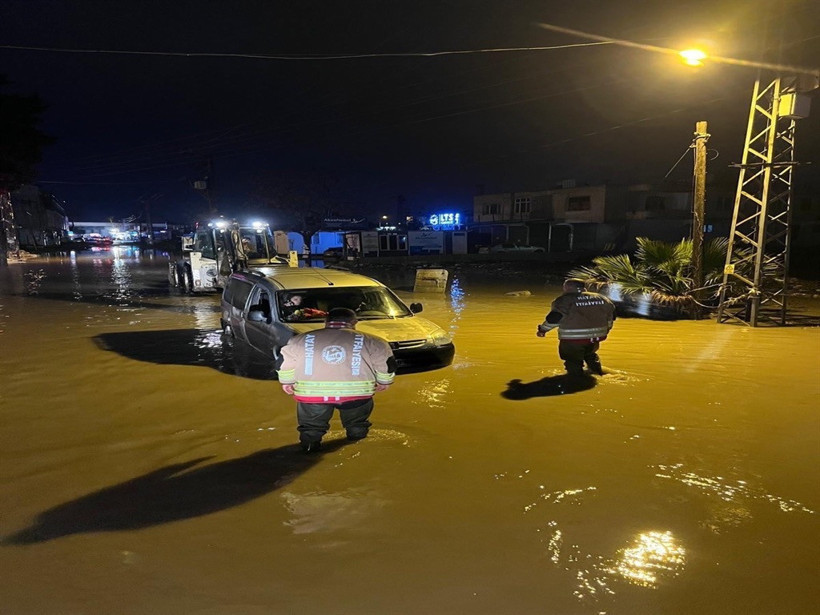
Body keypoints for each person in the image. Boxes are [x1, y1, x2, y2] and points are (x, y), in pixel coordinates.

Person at [276, 307, 396, 452]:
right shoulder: (375, 341)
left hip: (312, 394)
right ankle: (358, 448)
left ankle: (309, 449)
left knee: (311, 428)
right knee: (357, 424)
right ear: (354, 322)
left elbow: (284, 364)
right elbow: (386, 365)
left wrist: (286, 382)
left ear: (326, 321)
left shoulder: (298, 340)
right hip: (356, 394)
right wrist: (384, 382)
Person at [536, 278, 616, 376]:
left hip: (573, 339)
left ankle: (576, 380)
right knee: (590, 355)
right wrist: (607, 330)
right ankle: (597, 373)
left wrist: (542, 330)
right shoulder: (602, 298)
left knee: (572, 361)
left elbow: (554, 318)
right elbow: (611, 317)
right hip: (596, 338)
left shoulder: (563, 300)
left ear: (568, 287)